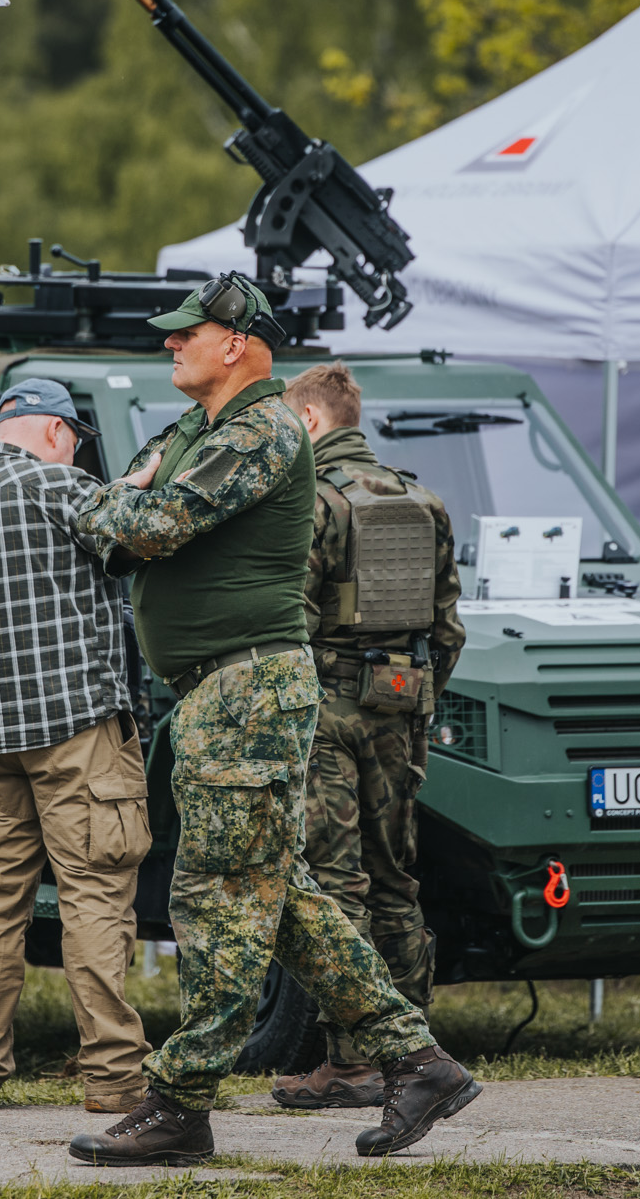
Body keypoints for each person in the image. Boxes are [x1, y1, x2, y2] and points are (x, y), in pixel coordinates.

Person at [66, 274, 479, 1165]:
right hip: (223, 690)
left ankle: (180, 1100)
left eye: (188, 334)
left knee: (215, 897)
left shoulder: (260, 429)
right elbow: (123, 512)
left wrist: (105, 500)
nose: (170, 346)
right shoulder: (198, 429)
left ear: (239, 344)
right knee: (282, 898)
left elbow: (150, 520)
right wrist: (117, 504)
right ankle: (419, 1061)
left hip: (247, 690)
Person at [0, 378, 151, 1115]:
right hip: (75, 729)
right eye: (74, 439)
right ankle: (114, 1077)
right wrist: (140, 477)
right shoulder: (58, 487)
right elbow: (134, 528)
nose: (76, 450)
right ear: (54, 432)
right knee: (94, 890)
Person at [269, 362, 465, 1110]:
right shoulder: (426, 501)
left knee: (336, 885)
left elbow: (292, 620)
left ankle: (351, 1061)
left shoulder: (312, 502)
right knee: (396, 883)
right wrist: (414, 699)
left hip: (326, 712)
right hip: (401, 712)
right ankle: (415, 1052)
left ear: (312, 421)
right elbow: (447, 630)